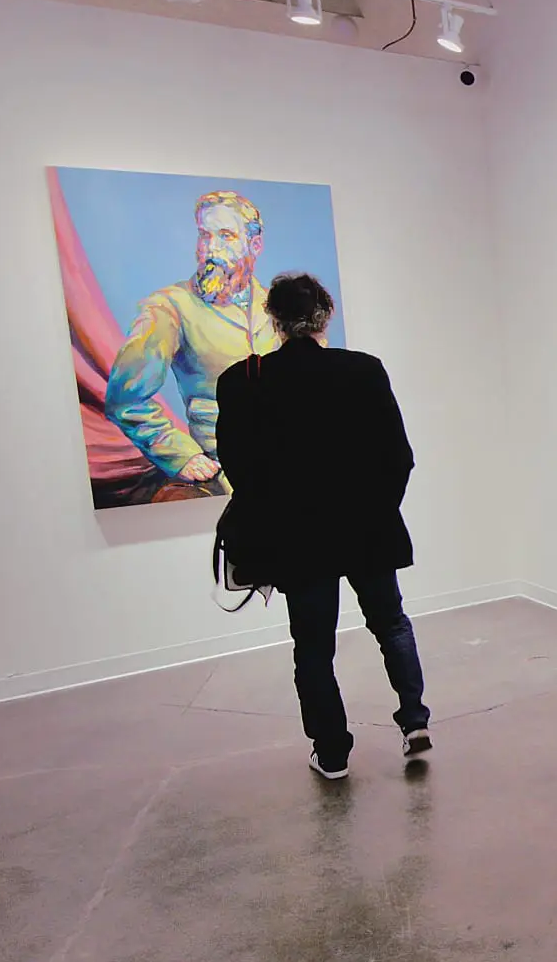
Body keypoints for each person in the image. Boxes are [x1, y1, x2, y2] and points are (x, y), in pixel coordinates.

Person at [215, 273, 433, 780]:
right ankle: (414, 720)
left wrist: (276, 514)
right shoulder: (364, 370)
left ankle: (332, 753)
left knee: (313, 647)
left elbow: (238, 468)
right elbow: (399, 457)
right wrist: (378, 510)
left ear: (274, 319)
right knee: (391, 624)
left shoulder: (242, 381)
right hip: (367, 529)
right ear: (325, 316)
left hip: (297, 538)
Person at [104, 191, 281, 503]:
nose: (211, 248)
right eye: (204, 235)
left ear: (254, 245)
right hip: (223, 475)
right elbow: (125, 399)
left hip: (288, 466)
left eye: (225, 235)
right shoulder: (168, 307)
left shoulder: (277, 306)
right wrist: (181, 455)